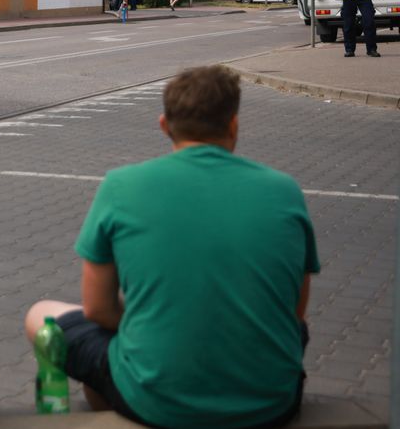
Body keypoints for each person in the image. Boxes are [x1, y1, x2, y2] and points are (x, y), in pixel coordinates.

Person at [24, 66, 319, 428]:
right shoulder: (284, 190)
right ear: (233, 126)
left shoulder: (122, 186)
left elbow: (97, 309)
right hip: (270, 403)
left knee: (40, 314)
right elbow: (294, 312)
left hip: (157, 400)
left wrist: (148, 322)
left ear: (164, 125)